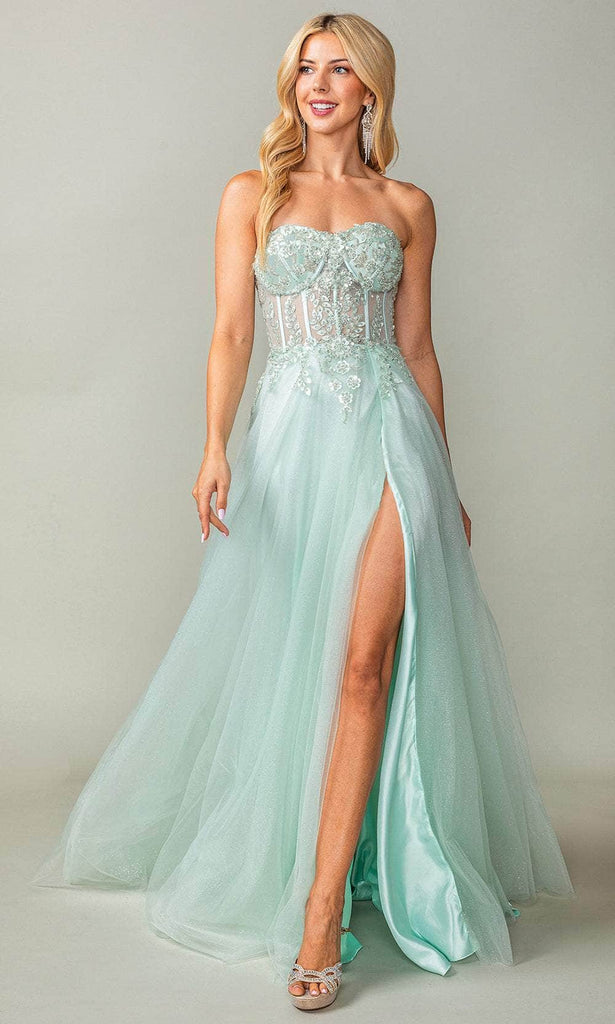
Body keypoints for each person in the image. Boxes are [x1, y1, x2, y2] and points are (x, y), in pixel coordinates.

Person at [31, 11, 576, 1013]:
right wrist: (212, 445)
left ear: (371, 89)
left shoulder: (407, 205)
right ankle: (307, 854)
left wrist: (445, 476)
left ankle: (322, 914)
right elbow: (232, 333)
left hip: (392, 442)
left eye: (338, 69)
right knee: (300, 660)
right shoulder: (253, 194)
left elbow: (417, 349)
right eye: (305, 69)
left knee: (367, 665)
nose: (317, 84)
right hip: (289, 446)